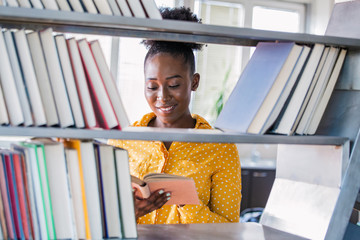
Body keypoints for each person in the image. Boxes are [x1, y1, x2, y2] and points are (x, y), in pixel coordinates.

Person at [108, 6, 241, 224]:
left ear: (194, 82)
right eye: (152, 86)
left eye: (174, 85)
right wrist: (129, 214)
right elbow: (102, 218)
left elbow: (229, 229)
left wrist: (187, 206)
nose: (162, 96)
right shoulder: (124, 139)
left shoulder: (220, 147)